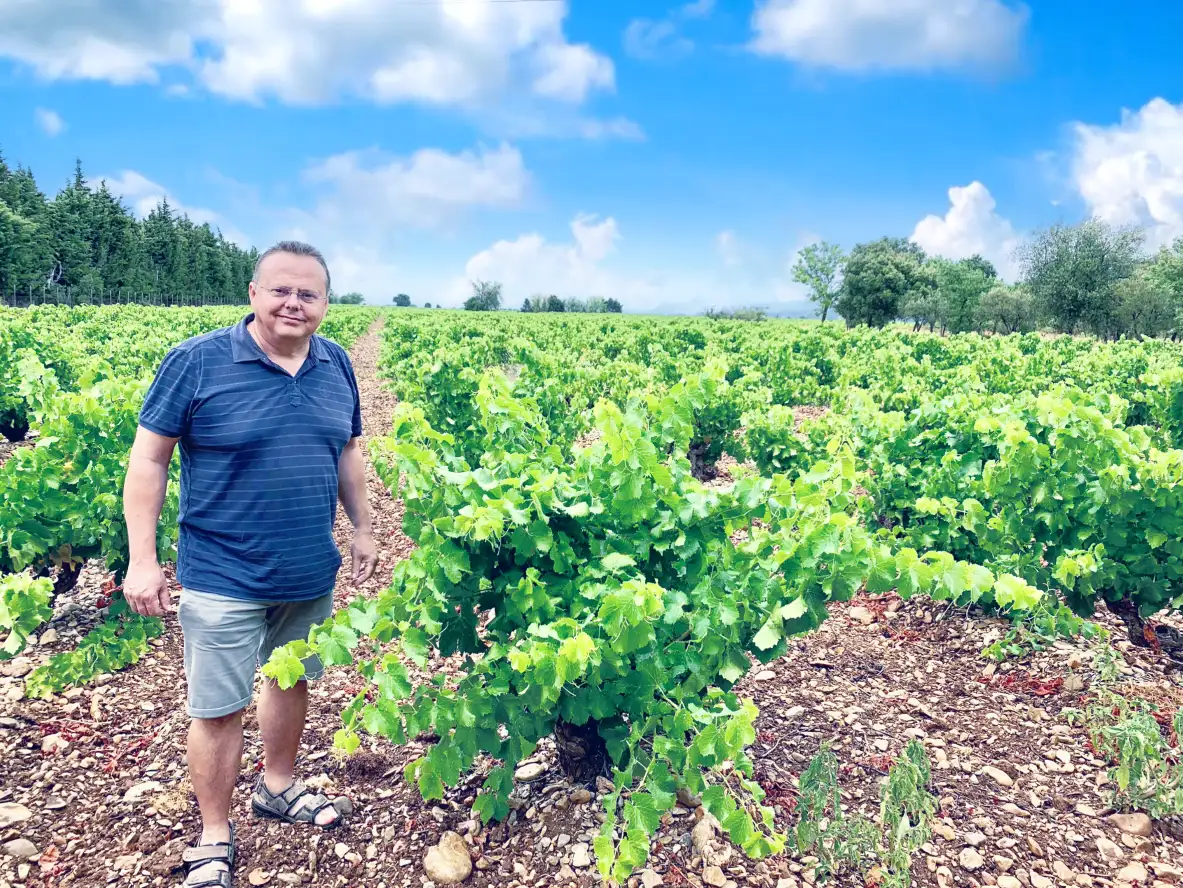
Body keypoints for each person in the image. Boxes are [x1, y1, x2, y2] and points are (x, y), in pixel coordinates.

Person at [122, 241, 378, 888]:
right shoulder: (196, 361)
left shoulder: (337, 363)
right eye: (280, 290)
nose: (294, 303)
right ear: (253, 293)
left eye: (309, 293)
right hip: (222, 573)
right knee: (216, 708)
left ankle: (278, 787)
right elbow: (149, 460)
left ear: (325, 303)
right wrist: (142, 559)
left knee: (290, 681)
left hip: (307, 570)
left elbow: (347, 451)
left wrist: (365, 527)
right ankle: (213, 836)